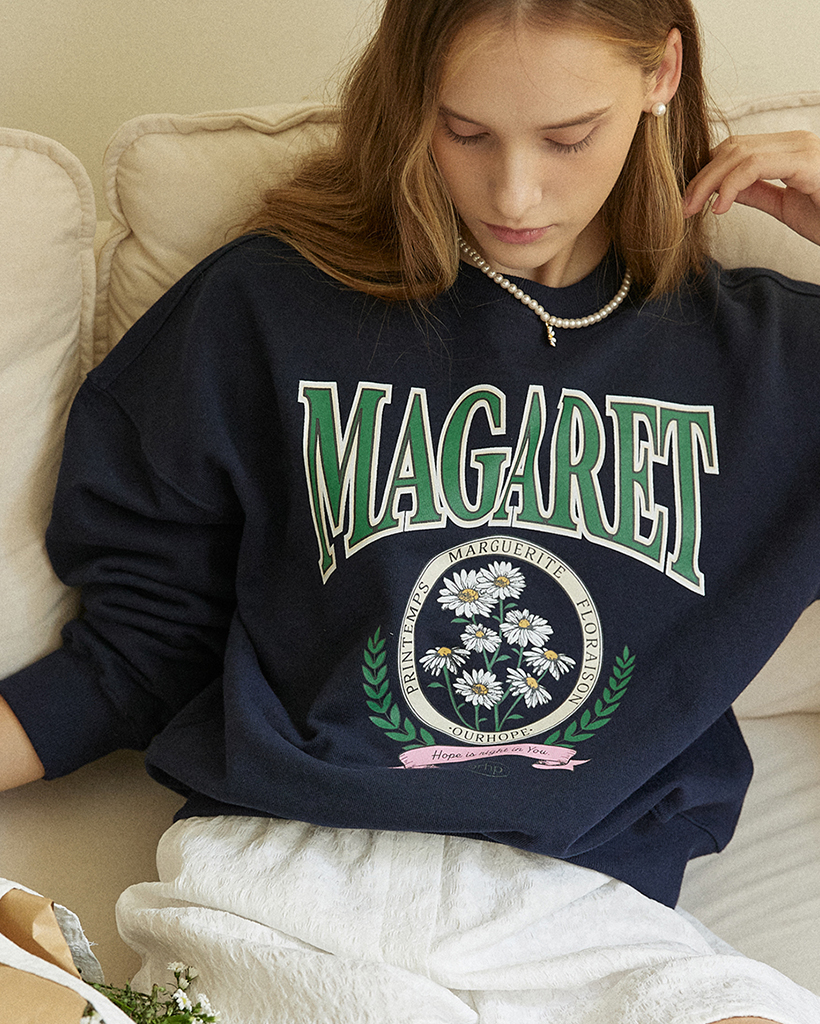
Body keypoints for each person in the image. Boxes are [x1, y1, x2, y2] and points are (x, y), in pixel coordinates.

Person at [3, 0, 820, 1021]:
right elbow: (141, 649)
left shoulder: (775, 364)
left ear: (662, 74)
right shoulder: (269, 307)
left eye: (568, 138)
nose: (513, 192)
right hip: (291, 880)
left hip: (590, 914)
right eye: (462, 131)